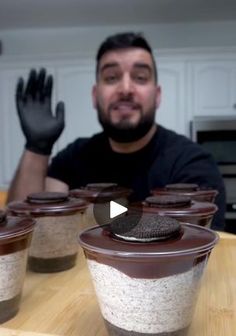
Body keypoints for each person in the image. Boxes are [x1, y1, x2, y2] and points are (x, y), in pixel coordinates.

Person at [7, 32, 226, 230]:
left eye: (140, 77)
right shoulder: (75, 156)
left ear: (157, 95)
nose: (125, 89)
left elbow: (191, 248)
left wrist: (95, 212)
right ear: (95, 95)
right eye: (111, 78)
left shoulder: (191, 162)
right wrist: (37, 148)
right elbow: (27, 229)